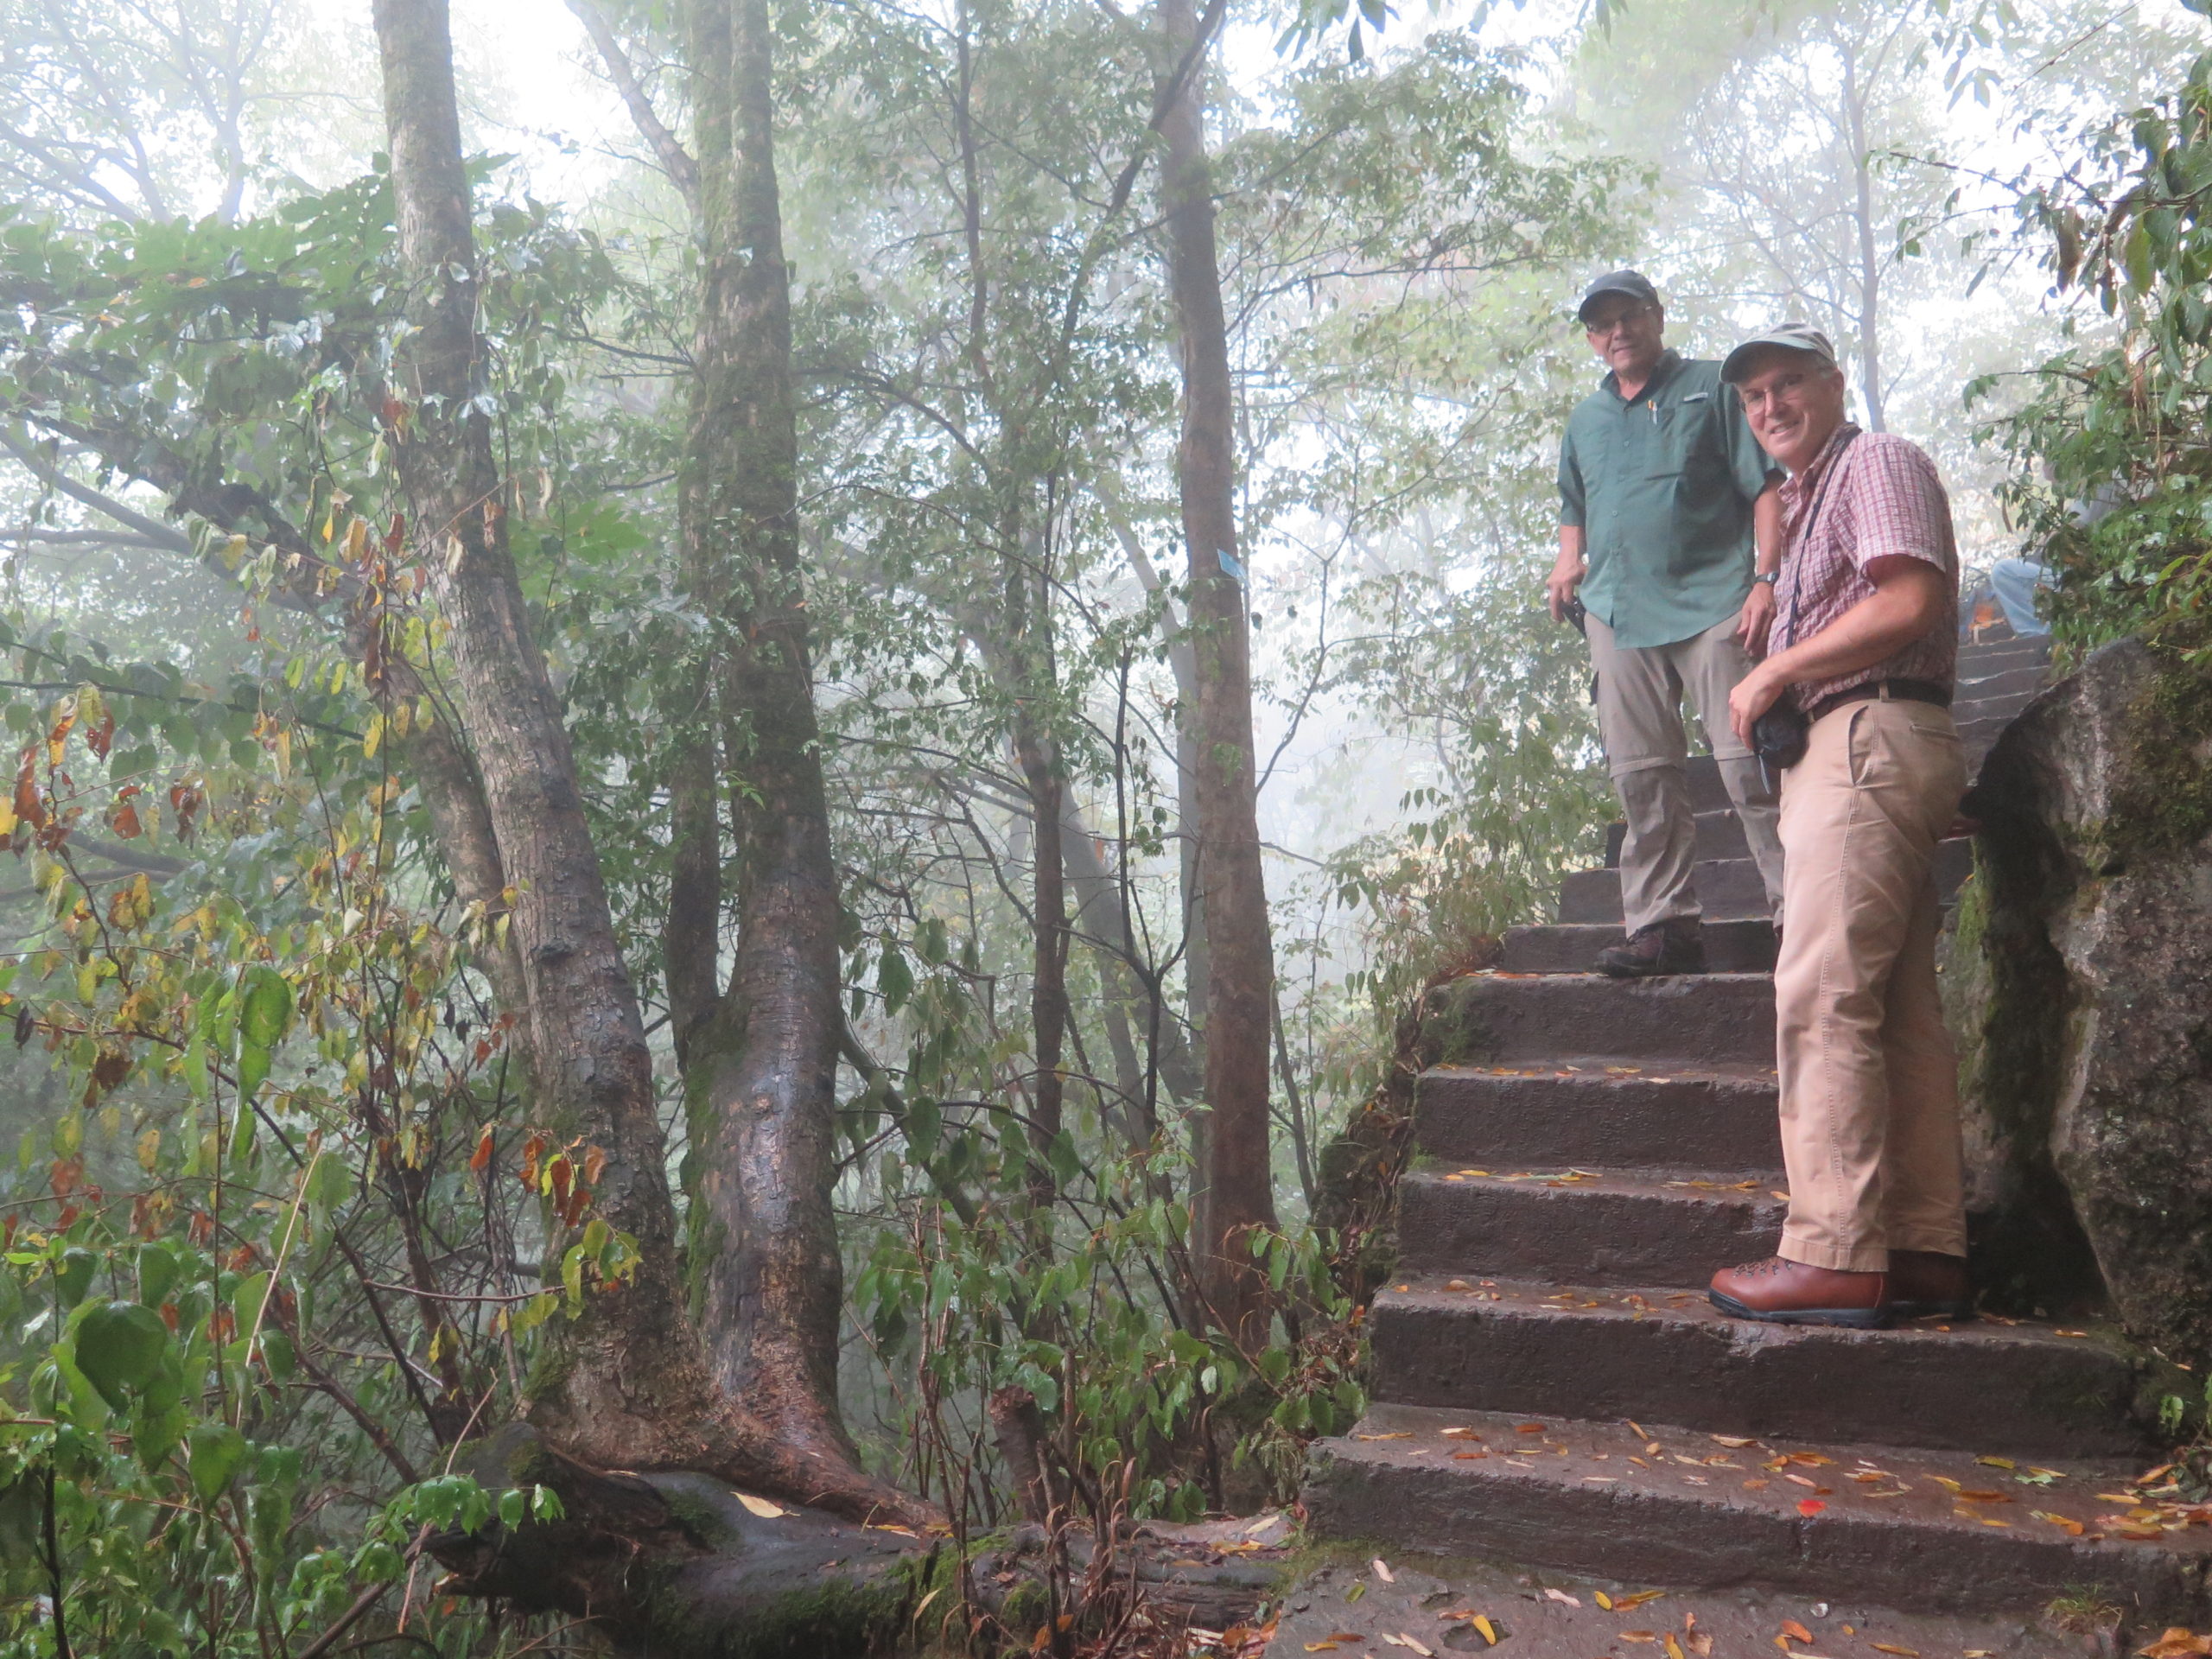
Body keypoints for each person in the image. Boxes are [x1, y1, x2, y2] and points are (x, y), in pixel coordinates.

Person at [1707, 323, 1970, 1327]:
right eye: (1752, 397)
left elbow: (1910, 596)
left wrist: (1776, 666)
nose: (1769, 406)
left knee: (1818, 992)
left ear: (1833, 382)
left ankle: (1831, 1250)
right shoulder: (1809, 500)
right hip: (1860, 743)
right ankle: (1919, 1247)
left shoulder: (1878, 461)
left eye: (1786, 384)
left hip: (1863, 735)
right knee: (1894, 1006)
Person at [1551, 270, 1789, 976]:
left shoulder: (1715, 387)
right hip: (1617, 613)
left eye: (1630, 316)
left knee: (1749, 764)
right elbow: (1575, 507)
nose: (1617, 332)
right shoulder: (1585, 420)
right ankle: (1662, 929)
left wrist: (1766, 580)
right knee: (1642, 776)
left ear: (1657, 317)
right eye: (1602, 324)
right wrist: (1568, 565)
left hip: (1716, 601)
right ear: (1593, 340)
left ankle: (1798, 909)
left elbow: (1764, 486)